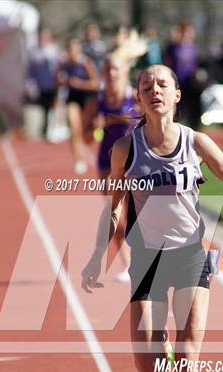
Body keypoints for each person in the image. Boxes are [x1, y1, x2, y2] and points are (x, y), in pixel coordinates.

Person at [81, 64, 223, 372]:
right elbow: (115, 206)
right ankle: (162, 348)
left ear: (177, 94)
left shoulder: (196, 143)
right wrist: (96, 256)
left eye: (162, 84)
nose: (154, 90)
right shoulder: (126, 149)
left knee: (187, 362)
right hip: (146, 259)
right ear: (138, 99)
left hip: (189, 256)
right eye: (146, 86)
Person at [95, 54, 138, 282]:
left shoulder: (135, 95)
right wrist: (95, 126)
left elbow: (150, 120)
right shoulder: (99, 97)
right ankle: (128, 264)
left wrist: (123, 120)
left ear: (125, 72)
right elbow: (85, 129)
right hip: (105, 160)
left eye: (116, 69)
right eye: (109, 69)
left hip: (133, 159)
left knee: (136, 213)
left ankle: (145, 261)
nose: (112, 73)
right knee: (115, 216)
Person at [57, 38, 99, 174]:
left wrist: (79, 83)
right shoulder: (65, 64)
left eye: (74, 50)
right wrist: (60, 79)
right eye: (69, 50)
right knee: (74, 129)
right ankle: (78, 159)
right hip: (72, 98)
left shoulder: (86, 63)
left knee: (84, 133)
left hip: (87, 98)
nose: (71, 53)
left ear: (79, 50)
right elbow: (55, 80)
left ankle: (87, 140)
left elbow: (96, 83)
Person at [26, 28, 60, 139]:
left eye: (45, 36)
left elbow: (59, 67)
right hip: (40, 85)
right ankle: (43, 129)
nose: (42, 39)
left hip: (53, 84)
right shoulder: (34, 52)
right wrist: (30, 83)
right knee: (41, 107)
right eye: (41, 36)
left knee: (52, 107)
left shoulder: (54, 50)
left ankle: (51, 129)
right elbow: (30, 70)